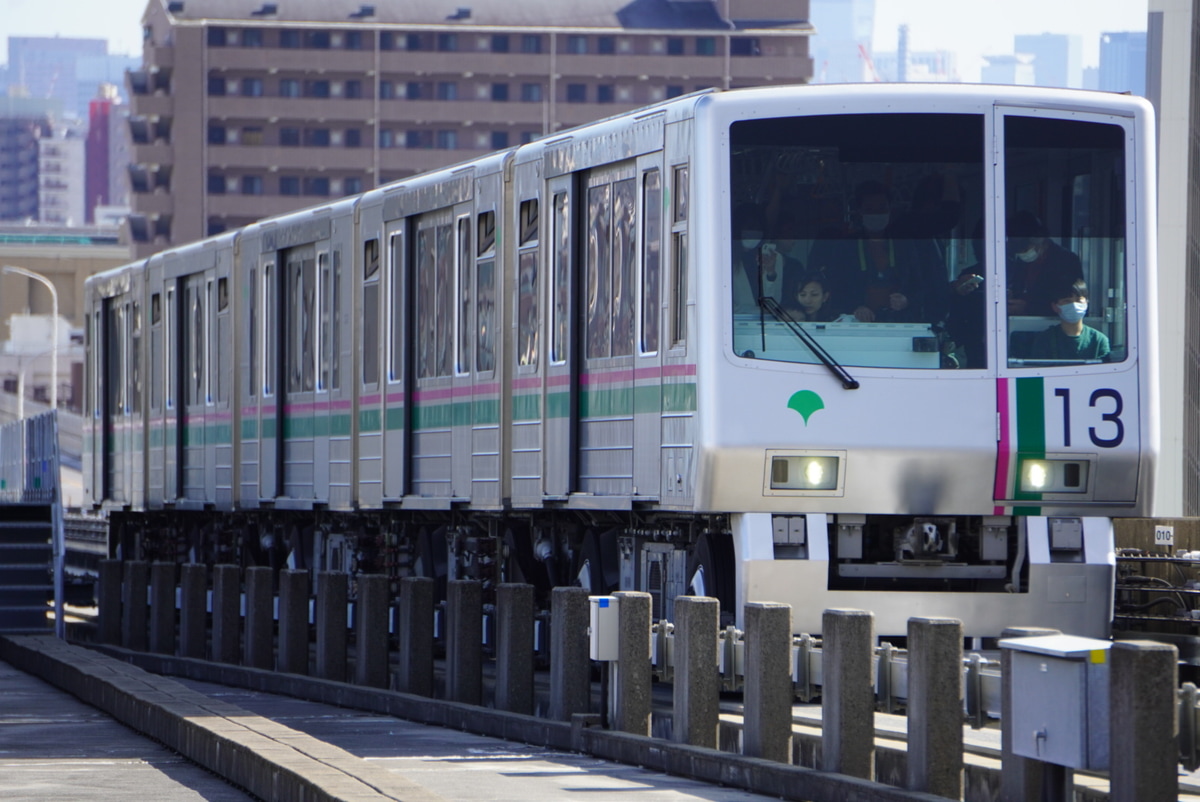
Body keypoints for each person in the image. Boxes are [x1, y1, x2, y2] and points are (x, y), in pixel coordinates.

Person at [1006, 211, 1083, 316]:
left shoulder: (1066, 261)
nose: (1023, 254)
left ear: (1039, 239)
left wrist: (1028, 307)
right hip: (1021, 323)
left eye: (1025, 248)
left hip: (1052, 323)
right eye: (1019, 250)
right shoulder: (1021, 261)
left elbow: (1069, 301)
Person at [731, 202, 800, 313]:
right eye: (749, 228)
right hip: (736, 325)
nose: (753, 233)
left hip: (767, 324)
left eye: (757, 230)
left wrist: (770, 273)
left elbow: (774, 302)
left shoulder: (774, 257)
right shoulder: (724, 258)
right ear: (738, 229)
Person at [1029, 278, 1110, 362]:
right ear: (1055, 306)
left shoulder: (1099, 340)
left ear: (1086, 303)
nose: (1074, 305)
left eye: (1079, 300)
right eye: (1067, 301)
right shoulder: (1044, 339)